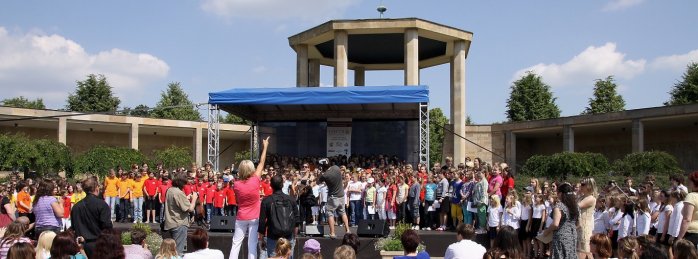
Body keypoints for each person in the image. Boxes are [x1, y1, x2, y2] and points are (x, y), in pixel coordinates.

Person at [230, 136, 270, 259]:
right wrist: (265, 147)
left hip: (241, 216)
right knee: (252, 244)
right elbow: (262, 163)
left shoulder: (236, 184)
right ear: (252, 169)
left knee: (236, 244)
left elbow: (237, 200)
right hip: (254, 217)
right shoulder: (256, 180)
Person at [71, 176, 113, 258]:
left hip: (81, 246)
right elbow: (107, 226)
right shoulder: (102, 204)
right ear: (96, 188)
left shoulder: (76, 207)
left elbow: (73, 227)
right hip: (98, 244)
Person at [258, 175, 300, 258]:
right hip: (288, 237)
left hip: (272, 237)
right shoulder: (291, 200)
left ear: (271, 185)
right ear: (282, 184)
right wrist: (295, 237)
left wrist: (261, 239)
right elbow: (297, 220)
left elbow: (262, 221)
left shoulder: (266, 201)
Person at [163, 171, 199, 255]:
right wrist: (194, 198)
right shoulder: (179, 192)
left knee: (171, 251)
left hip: (171, 223)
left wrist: (185, 197)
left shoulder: (170, 190)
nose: (185, 185)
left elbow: (175, 203)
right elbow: (189, 208)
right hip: (179, 224)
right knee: (178, 251)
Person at [543, 183, 579, 259]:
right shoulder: (576, 206)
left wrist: (546, 232)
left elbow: (555, 224)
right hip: (573, 235)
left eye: (558, 192)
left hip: (561, 236)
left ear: (561, 193)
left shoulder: (559, 206)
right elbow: (579, 223)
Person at [319, 165, 351, 239]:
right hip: (341, 195)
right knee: (343, 212)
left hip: (333, 197)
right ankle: (348, 230)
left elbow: (319, 180)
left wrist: (321, 172)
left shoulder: (325, 175)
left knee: (330, 213)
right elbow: (341, 170)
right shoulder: (336, 168)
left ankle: (332, 233)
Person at [576, 177, 596, 259]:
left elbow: (576, 206)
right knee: (578, 249)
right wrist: (577, 194)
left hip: (585, 226)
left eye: (583, 184)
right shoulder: (581, 197)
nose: (581, 186)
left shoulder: (591, 198)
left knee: (585, 250)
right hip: (578, 225)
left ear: (589, 185)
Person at [678, 171, 698, 246]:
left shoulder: (691, 196)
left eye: (690, 181)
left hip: (692, 234)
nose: (688, 183)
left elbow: (687, 219)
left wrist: (679, 238)